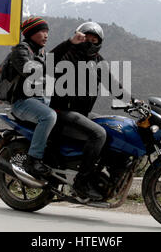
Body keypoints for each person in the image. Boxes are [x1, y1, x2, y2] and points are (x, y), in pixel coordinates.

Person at [49, 21, 119, 200]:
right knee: (99, 134)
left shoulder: (98, 61)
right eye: (85, 38)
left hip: (81, 113)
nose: (89, 42)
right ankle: (81, 182)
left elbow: (112, 84)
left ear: (99, 42)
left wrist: (133, 101)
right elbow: (48, 61)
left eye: (93, 39)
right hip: (62, 111)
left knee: (113, 129)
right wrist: (69, 43)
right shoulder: (67, 55)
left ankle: (100, 175)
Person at [10, 17, 57, 177]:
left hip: (41, 99)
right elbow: (29, 71)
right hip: (23, 102)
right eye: (42, 31)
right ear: (31, 33)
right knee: (48, 116)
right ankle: (34, 160)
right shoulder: (20, 51)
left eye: (47, 31)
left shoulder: (42, 52)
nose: (46, 35)